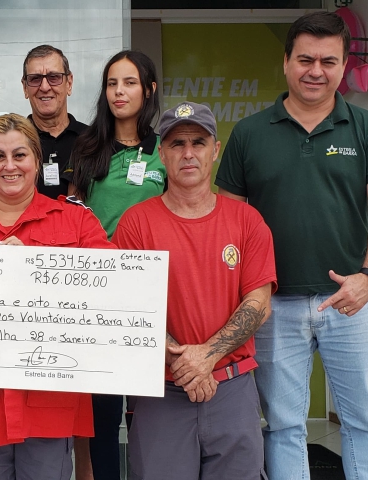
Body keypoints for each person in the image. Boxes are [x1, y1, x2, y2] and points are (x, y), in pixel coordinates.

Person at [215, 11, 368, 480]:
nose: (315, 70)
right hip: (274, 306)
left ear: (341, 66)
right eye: (305, 59)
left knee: (363, 422)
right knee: (282, 426)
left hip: (351, 304)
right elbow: (228, 225)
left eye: (328, 60)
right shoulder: (250, 135)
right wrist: (249, 294)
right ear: (286, 63)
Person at [0, 113, 113, 480]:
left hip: (49, 399)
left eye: (20, 155)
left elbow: (111, 292)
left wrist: (39, 268)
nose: (9, 166)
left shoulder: (75, 222)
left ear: (37, 160)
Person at [113, 102, 276, 479]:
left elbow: (258, 302)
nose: (188, 153)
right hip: (160, 391)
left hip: (231, 388)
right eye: (176, 143)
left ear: (215, 150)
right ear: (161, 153)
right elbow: (126, 307)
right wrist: (184, 365)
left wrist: (207, 356)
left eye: (199, 142)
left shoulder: (246, 221)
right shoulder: (136, 223)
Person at [69, 50, 165, 480]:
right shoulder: (87, 147)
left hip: (157, 291)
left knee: (151, 413)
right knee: (103, 414)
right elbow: (73, 217)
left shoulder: (166, 149)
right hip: (100, 294)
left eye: (129, 83)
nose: (119, 92)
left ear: (149, 90)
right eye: (112, 84)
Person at [21, 44, 87, 199]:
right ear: (25, 87)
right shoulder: (13, 142)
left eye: (54, 77)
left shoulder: (93, 140)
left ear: (69, 83)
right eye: (35, 79)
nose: (44, 87)